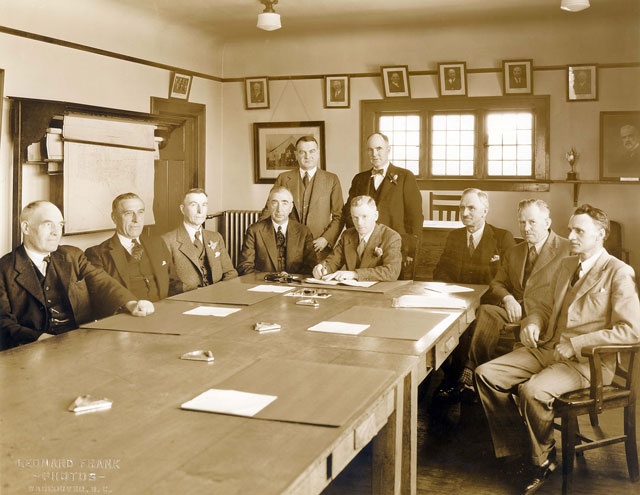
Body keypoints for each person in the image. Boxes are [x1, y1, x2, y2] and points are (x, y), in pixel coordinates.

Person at [476, 204, 640, 495]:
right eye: (570, 229)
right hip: (548, 346)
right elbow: (543, 306)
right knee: (487, 374)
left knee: (533, 391)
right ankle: (519, 449)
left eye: (580, 231)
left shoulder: (617, 272)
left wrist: (576, 344)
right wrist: (534, 322)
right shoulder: (567, 265)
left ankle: (543, 459)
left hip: (587, 363)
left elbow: (631, 330)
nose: (571, 236)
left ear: (600, 234)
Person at [448, 199, 571, 401]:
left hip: (548, 317)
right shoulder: (515, 251)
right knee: (486, 310)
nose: (526, 228)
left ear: (547, 223)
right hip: (515, 311)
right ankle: (473, 372)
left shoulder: (567, 249)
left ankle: (476, 378)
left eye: (532, 222)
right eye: (522, 222)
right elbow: (497, 283)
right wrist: (507, 298)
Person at [0, 201, 154, 351]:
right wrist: (40, 339)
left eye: (60, 225)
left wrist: (131, 303)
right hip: (32, 350)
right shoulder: (4, 269)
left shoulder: (72, 255)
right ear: (26, 228)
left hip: (81, 342)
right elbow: (3, 323)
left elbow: (102, 283)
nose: (56, 232)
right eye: (48, 224)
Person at [343, 133, 423, 275]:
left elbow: (415, 217)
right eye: (370, 149)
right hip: (364, 252)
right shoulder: (359, 179)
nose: (374, 154)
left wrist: (409, 252)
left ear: (388, 149)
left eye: (379, 148)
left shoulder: (405, 177)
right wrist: (357, 242)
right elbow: (349, 214)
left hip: (396, 251)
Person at [259, 136, 344, 261]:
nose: (307, 156)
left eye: (311, 151)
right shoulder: (283, 178)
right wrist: (257, 235)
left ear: (318, 153)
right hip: (287, 247)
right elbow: (269, 210)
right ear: (296, 155)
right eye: (302, 152)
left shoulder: (331, 180)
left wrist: (326, 239)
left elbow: (340, 215)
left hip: (318, 247)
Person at [86, 193, 181, 301]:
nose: (136, 219)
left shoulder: (157, 243)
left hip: (164, 311)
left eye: (140, 212)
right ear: (114, 218)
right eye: (128, 213)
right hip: (127, 315)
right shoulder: (98, 254)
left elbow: (174, 283)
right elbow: (102, 296)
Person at [433, 188, 515, 300]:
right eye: (462, 208)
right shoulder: (454, 236)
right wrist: (452, 292)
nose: (464, 213)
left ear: (484, 211)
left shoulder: (502, 237)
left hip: (489, 302)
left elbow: (511, 279)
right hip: (457, 300)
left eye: (471, 208)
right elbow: (440, 272)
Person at [162, 188, 237, 292]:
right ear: (182, 209)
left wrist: (222, 294)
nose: (200, 211)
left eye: (204, 205)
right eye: (194, 205)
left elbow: (230, 273)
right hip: (187, 300)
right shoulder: (168, 240)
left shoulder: (215, 237)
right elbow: (168, 283)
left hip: (218, 297)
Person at [312, 196, 401, 282]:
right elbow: (333, 261)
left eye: (364, 217)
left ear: (375, 215)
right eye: (355, 218)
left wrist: (355, 274)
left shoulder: (391, 237)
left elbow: (392, 272)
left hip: (380, 293)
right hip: (353, 292)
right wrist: (322, 268)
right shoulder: (347, 235)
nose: (359, 223)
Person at [238, 186, 315, 275]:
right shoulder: (254, 231)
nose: (279, 209)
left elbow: (311, 267)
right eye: (274, 203)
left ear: (291, 207)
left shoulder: (304, 232)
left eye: (284, 203)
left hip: (295, 285)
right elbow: (244, 267)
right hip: (263, 285)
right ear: (268, 206)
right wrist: (272, 278)